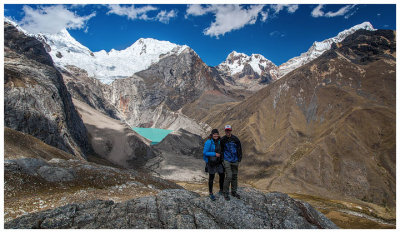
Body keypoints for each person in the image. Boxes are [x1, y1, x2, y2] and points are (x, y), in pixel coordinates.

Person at [220, 125, 242, 201]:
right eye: (226, 130)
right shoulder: (222, 140)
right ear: (225, 131)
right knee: (229, 176)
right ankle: (225, 192)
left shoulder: (235, 139)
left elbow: (239, 149)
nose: (228, 132)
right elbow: (221, 150)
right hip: (227, 160)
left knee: (234, 176)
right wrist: (222, 159)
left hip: (235, 160)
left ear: (231, 130)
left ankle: (233, 191)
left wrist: (239, 158)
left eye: (229, 130)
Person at [203, 128, 225, 201]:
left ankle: (221, 190)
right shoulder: (208, 142)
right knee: (211, 178)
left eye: (217, 134)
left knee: (222, 175)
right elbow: (205, 152)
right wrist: (214, 154)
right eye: (214, 134)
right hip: (211, 162)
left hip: (218, 162)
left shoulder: (219, 141)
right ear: (212, 135)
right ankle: (211, 193)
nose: (216, 135)